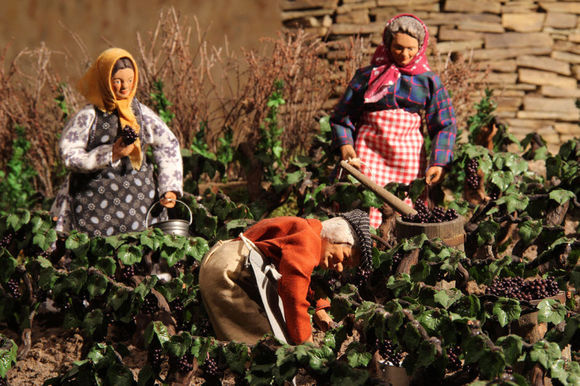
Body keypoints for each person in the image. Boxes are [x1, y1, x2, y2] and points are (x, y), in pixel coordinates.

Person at [331, 14, 457, 228]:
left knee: (406, 202)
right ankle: (365, 245)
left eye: (411, 49)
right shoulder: (368, 76)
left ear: (421, 47)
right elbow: (343, 115)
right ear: (388, 44)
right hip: (369, 150)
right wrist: (345, 144)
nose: (405, 54)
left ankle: (401, 245)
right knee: (366, 200)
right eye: (398, 47)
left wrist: (439, 161)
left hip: (408, 155)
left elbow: (444, 124)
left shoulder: (428, 81)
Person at [51, 48, 183, 237]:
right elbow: (69, 154)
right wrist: (110, 153)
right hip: (94, 202)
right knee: (93, 254)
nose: (124, 87)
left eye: (130, 80)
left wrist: (169, 187)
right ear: (104, 80)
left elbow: (168, 144)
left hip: (140, 203)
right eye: (118, 81)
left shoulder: (142, 114)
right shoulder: (88, 118)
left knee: (143, 253)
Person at [198, 209, 372, 345]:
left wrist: (319, 307)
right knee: (265, 346)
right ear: (337, 238)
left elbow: (297, 277)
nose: (340, 268)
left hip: (221, 260)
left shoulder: (305, 229)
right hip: (230, 271)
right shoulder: (308, 240)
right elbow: (293, 294)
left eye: (346, 266)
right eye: (345, 257)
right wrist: (305, 343)